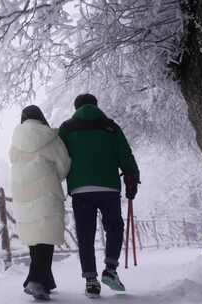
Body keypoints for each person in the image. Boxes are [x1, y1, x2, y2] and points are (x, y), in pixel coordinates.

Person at [58, 94, 140, 298]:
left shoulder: (67, 128)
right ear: (96, 105)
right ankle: (111, 269)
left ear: (76, 107)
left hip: (80, 189)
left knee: (85, 234)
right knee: (114, 226)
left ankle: (91, 281)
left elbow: (58, 156)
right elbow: (125, 153)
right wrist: (132, 178)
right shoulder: (110, 126)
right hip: (109, 187)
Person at [9, 105, 71, 301]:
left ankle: (45, 281)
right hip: (46, 191)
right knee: (46, 237)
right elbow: (64, 165)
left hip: (22, 193)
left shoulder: (15, 142)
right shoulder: (50, 137)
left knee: (36, 238)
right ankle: (35, 280)